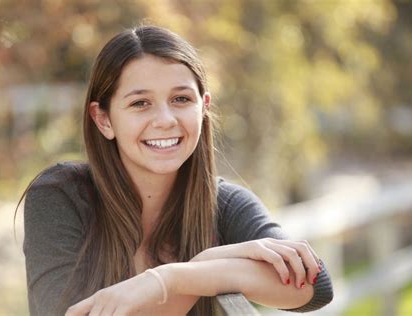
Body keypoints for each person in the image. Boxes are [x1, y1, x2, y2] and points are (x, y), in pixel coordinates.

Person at [21, 25, 333, 316]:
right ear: (103, 119)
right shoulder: (61, 197)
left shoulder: (224, 204)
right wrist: (208, 268)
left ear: (203, 107)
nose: (166, 119)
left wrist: (174, 277)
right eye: (140, 103)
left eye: (181, 99)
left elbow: (313, 285)